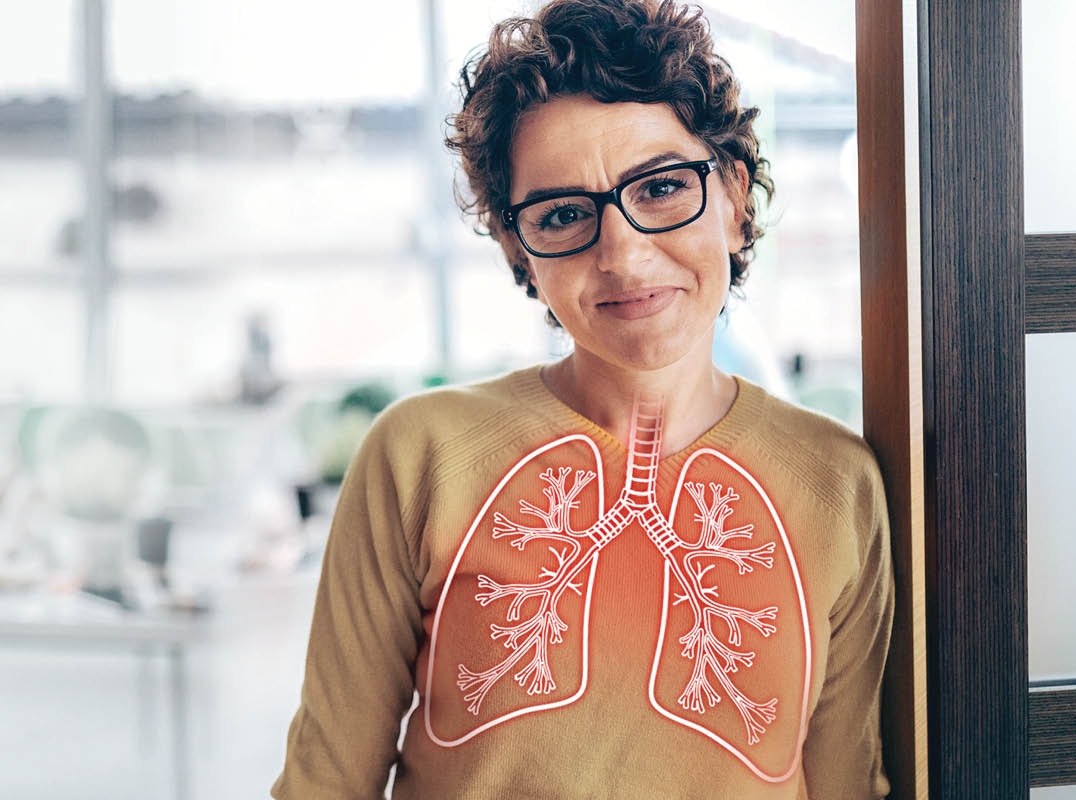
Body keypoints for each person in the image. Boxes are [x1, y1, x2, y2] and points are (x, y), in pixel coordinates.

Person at [271, 2, 894, 798]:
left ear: (735, 201)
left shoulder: (837, 483)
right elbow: (325, 784)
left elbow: (847, 783)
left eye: (664, 188)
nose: (624, 256)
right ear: (515, 247)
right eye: (564, 213)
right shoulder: (419, 456)